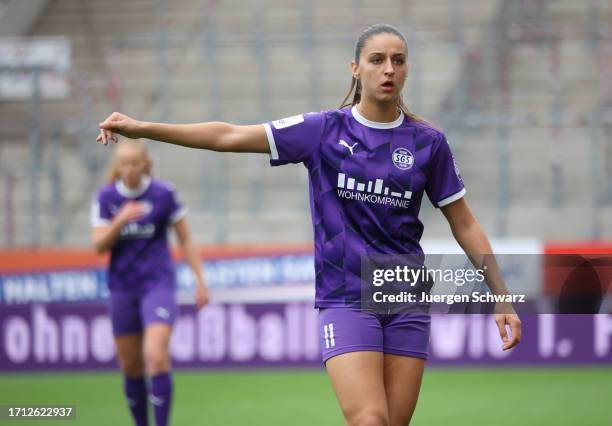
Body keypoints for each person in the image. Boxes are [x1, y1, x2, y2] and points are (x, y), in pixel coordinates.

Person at [97, 23, 521, 426]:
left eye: (398, 60)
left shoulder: (428, 143)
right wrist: (143, 128)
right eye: (376, 60)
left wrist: (501, 296)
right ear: (355, 69)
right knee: (369, 419)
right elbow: (227, 136)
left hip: (405, 293)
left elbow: (464, 223)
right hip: (345, 296)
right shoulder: (322, 130)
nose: (389, 69)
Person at [90, 139, 209, 426]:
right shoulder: (106, 198)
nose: (128, 170)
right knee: (131, 366)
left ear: (145, 164)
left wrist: (201, 281)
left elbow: (186, 239)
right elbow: (98, 246)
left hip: (158, 284)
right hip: (123, 287)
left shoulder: (163, 194)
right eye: (122, 164)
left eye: (133, 164)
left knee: (155, 357)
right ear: (116, 166)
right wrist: (119, 221)